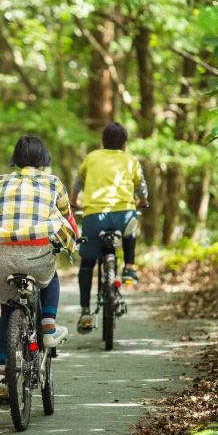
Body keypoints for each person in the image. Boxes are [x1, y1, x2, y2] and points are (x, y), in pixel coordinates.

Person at [0, 136, 79, 409]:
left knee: (6, 310)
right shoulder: (54, 183)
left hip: (3, 257)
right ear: (44, 159)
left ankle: (3, 373)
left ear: (15, 159)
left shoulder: (1, 182)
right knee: (51, 275)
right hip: (38, 254)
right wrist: (74, 238)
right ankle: (48, 324)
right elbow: (66, 219)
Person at [70, 121, 148, 334]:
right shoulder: (131, 160)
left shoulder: (92, 158)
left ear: (102, 142)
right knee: (131, 229)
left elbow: (78, 183)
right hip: (124, 216)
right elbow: (141, 189)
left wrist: (73, 201)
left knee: (87, 262)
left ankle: (85, 311)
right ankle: (129, 268)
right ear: (124, 144)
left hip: (95, 217)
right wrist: (141, 202)